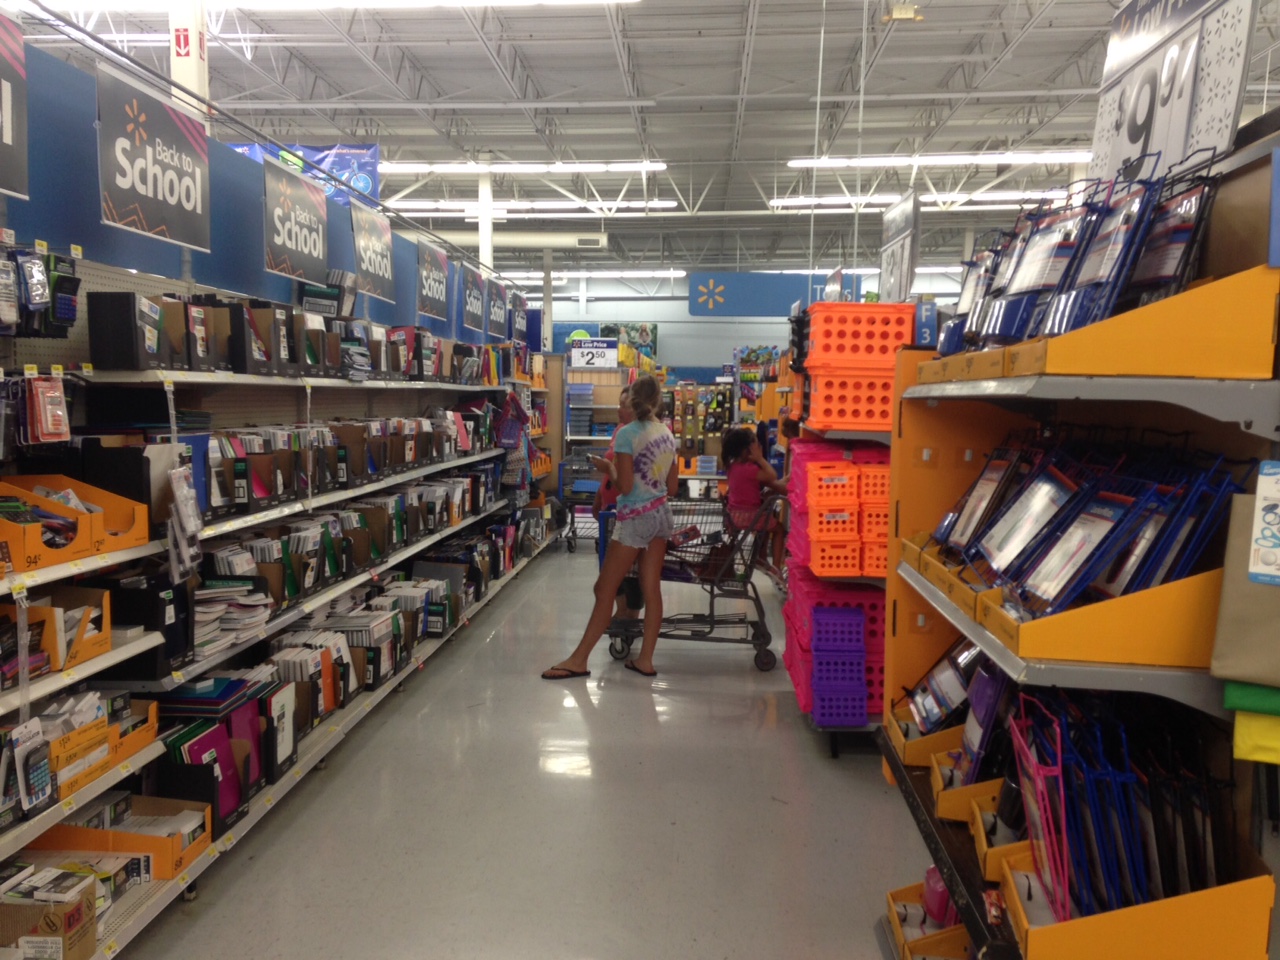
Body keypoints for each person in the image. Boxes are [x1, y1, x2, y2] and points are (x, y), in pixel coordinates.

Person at [543, 375, 677, 680]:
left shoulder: (628, 434)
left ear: (633, 401)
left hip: (635, 518)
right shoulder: (667, 434)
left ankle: (578, 660)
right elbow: (672, 487)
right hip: (661, 516)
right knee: (652, 591)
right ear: (657, 401)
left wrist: (608, 469)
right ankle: (646, 660)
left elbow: (625, 486)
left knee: (603, 589)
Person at [591, 385, 644, 621]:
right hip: (610, 509)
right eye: (619, 403)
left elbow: (629, 480)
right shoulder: (619, 431)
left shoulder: (639, 436)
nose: (618, 409)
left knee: (628, 567)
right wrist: (599, 497)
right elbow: (610, 471)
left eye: (624, 405)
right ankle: (623, 610)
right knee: (609, 561)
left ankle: (629, 613)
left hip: (628, 510)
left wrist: (609, 469)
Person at [721, 426, 788, 568]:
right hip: (749, 516)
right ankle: (776, 566)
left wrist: (789, 477)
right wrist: (760, 458)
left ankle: (761, 557)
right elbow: (773, 476)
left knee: (765, 521)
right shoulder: (749, 470)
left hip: (735, 515)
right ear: (747, 450)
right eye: (757, 445)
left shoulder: (733, 466)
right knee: (779, 529)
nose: (760, 447)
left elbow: (774, 483)